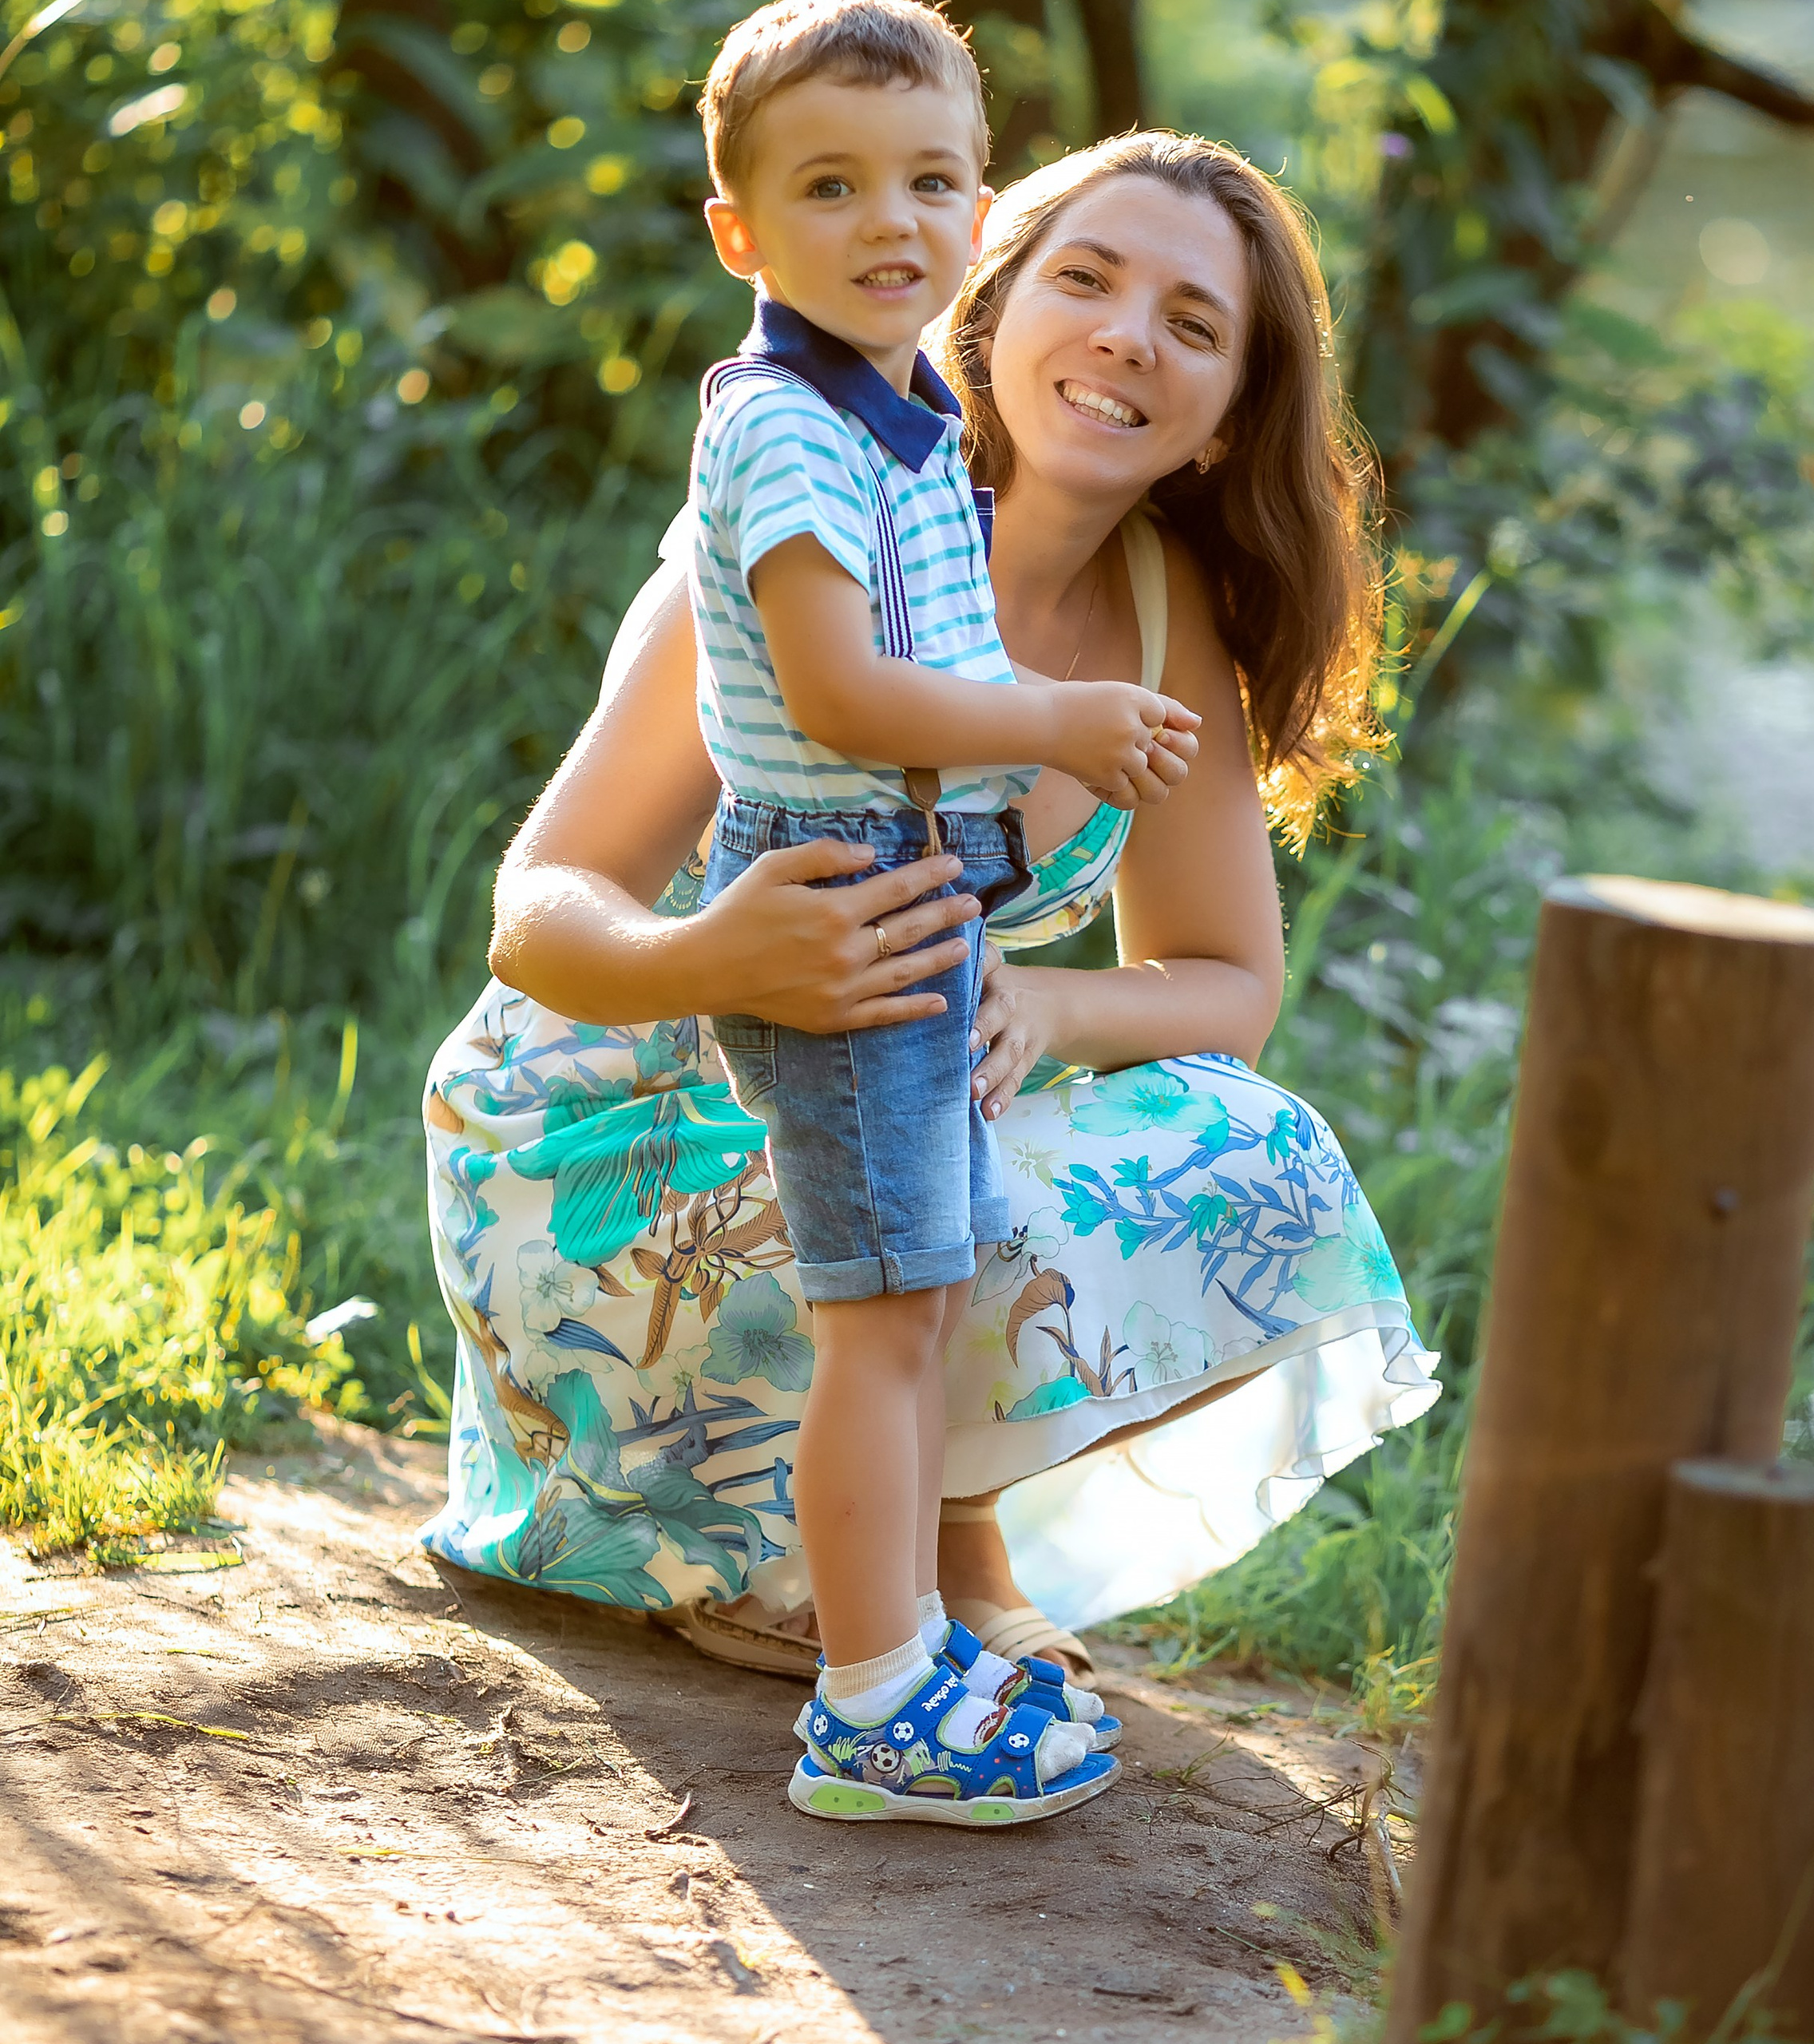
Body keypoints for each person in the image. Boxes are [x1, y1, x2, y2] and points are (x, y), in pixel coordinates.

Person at [418, 129, 1439, 1723]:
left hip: (882, 1119)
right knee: (920, 1177)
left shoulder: (1166, 623)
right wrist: (721, 956)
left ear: (1225, 412)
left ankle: (916, 1551)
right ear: (985, 297)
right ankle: (838, 1571)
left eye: (1190, 321)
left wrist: (1046, 1008)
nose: (1124, 336)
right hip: (621, 1123)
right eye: (1085, 280)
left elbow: (1229, 983)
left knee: (1257, 1151)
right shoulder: (812, 525)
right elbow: (536, 916)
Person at [680, 0, 1190, 1824]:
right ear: (740, 232)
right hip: (847, 901)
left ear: (981, 203)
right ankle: (870, 1692)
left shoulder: (890, 410)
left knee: (916, 1296)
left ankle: (901, 1638)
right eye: (829, 185)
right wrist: (1049, 723)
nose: (889, 219)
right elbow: (837, 691)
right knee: (877, 1320)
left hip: (918, 903)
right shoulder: (792, 430)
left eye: (930, 178)